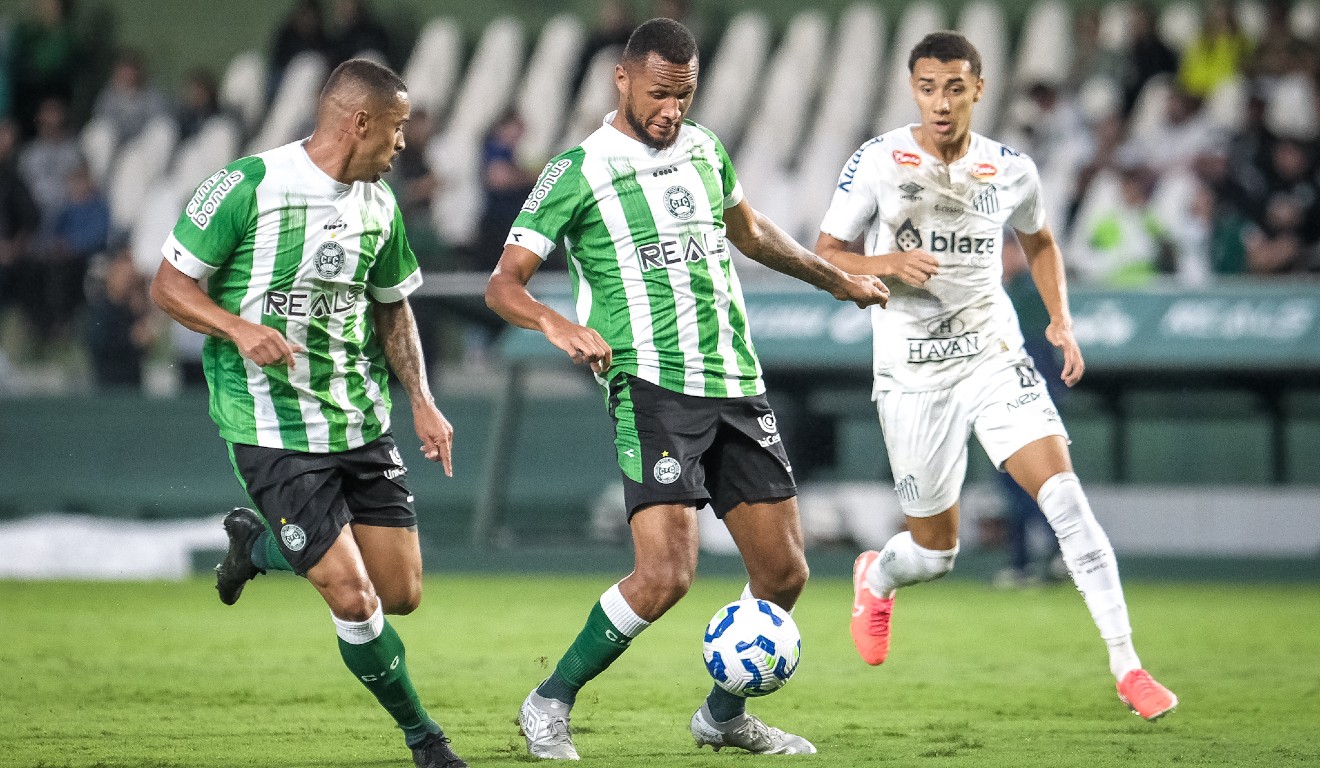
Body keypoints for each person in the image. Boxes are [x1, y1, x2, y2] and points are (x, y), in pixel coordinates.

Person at [484, 18, 888, 760]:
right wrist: (554, 324)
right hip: (652, 385)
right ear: (624, 80)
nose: (673, 109)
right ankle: (549, 701)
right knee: (665, 574)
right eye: (661, 94)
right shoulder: (579, 169)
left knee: (784, 572)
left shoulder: (703, 148)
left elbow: (753, 232)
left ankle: (722, 718)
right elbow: (503, 283)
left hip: (735, 379)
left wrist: (839, 281)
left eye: (686, 94)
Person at [814, 31, 1178, 721]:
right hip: (912, 373)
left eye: (955, 87)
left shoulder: (1011, 169)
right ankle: (878, 574)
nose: (941, 101)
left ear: (978, 88)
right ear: (913, 89)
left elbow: (1039, 240)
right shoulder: (877, 162)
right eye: (928, 87)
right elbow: (826, 252)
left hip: (993, 355)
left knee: (1067, 502)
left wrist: (1060, 321)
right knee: (936, 552)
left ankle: (1128, 666)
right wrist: (885, 265)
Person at [149, 58, 467, 768]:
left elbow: (394, 309)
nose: (403, 144)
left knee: (401, 592)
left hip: (358, 422)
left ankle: (257, 548)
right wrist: (237, 329)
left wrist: (421, 399)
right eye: (397, 129)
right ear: (359, 122)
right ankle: (427, 741)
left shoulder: (381, 206)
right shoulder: (247, 186)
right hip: (269, 429)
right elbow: (167, 287)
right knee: (355, 599)